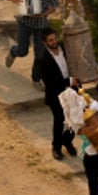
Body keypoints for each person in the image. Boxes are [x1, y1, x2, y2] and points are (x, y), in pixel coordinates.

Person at [5, 0, 59, 81]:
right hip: (24, 22)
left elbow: (53, 5)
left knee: (40, 53)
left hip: (41, 24)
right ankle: (14, 51)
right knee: (23, 51)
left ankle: (36, 79)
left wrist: (44, 14)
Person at [35, 27, 80, 161]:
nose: (54, 42)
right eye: (51, 40)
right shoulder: (42, 59)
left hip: (72, 91)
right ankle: (56, 147)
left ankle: (67, 141)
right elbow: (50, 82)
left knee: (74, 119)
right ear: (45, 42)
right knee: (59, 120)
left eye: (55, 38)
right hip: (56, 94)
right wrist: (70, 81)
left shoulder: (65, 49)